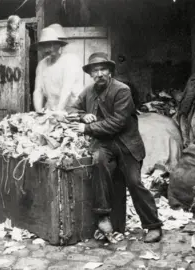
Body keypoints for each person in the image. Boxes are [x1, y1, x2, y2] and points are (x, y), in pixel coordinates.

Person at [67, 52, 163, 243]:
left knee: (134, 183)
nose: (100, 74)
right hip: (105, 144)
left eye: (103, 69)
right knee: (100, 165)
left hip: (127, 144)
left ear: (110, 71)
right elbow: (71, 110)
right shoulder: (88, 92)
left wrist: (87, 127)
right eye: (95, 70)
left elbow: (117, 122)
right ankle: (106, 219)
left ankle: (153, 226)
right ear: (91, 74)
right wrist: (83, 115)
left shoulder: (122, 90)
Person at [33, 26, 84, 116]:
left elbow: (67, 89)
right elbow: (38, 90)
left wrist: (59, 111)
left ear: (59, 45)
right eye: (45, 46)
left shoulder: (70, 60)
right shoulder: (42, 65)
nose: (48, 49)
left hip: (72, 110)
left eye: (51, 45)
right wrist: (38, 111)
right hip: (51, 109)